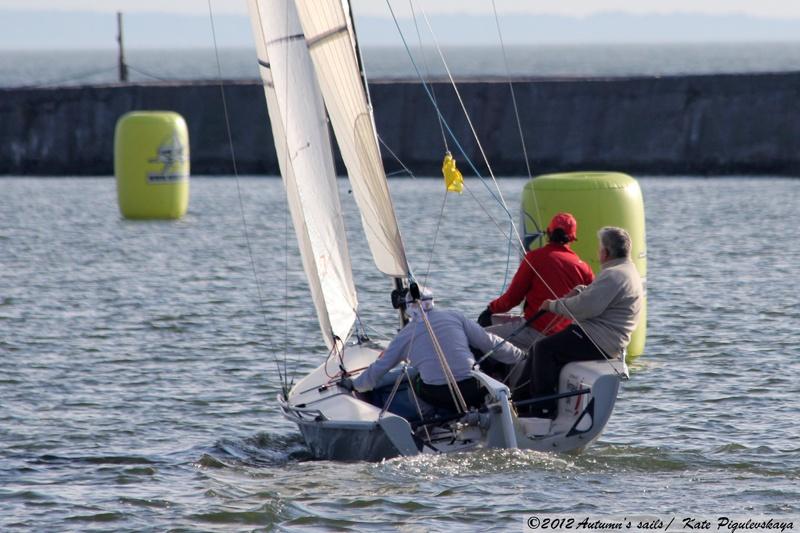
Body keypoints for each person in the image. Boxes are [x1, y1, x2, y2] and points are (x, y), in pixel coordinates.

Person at [342, 287, 525, 412]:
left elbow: (380, 367)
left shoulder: (405, 335)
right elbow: (489, 342)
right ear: (432, 301)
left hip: (437, 396)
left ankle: (431, 422)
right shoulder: (455, 316)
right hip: (472, 390)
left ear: (408, 307)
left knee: (415, 380)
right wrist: (521, 356)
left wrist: (356, 385)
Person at [526, 226, 644, 418]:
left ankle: (542, 410)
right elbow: (600, 298)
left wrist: (552, 305)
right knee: (536, 350)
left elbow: (584, 308)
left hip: (597, 339)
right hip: (604, 338)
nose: (598, 252)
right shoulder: (626, 271)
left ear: (605, 252)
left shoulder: (614, 275)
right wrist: (582, 290)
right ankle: (523, 403)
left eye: (600, 248)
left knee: (543, 349)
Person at [478, 212, 595, 351]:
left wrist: (490, 310)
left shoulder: (534, 258)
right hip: (562, 336)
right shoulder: (584, 268)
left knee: (476, 336)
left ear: (549, 232)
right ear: (572, 238)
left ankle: (495, 365)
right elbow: (593, 306)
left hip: (534, 330)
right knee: (493, 320)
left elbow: (512, 299)